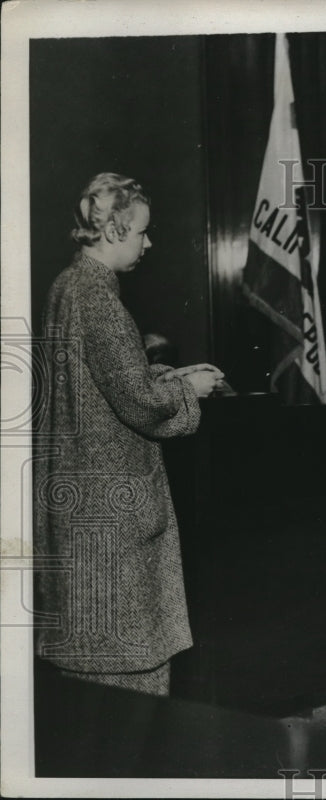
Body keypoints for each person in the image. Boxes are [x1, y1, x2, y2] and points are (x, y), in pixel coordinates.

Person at [34, 172, 224, 696]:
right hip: (112, 518)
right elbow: (137, 402)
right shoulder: (99, 297)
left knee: (89, 685)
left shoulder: (66, 286)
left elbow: (106, 382)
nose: (149, 242)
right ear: (115, 230)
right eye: (142, 231)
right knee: (129, 692)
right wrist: (193, 392)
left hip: (81, 508)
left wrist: (175, 376)